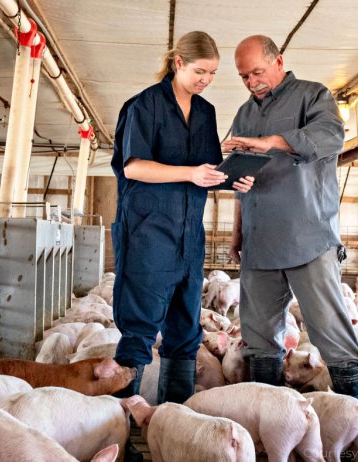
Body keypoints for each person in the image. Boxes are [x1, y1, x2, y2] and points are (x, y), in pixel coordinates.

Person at [110, 31, 253, 404]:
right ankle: (120, 422)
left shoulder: (205, 112)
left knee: (186, 328)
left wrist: (235, 176)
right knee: (139, 329)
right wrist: (190, 173)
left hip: (189, 235)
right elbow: (135, 168)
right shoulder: (143, 106)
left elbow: (205, 169)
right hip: (148, 233)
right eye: (200, 71)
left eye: (212, 74)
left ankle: (175, 418)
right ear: (178, 63)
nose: (206, 80)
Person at [222, 35, 358, 398]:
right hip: (259, 239)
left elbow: (331, 137)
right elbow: (241, 176)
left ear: (278, 61)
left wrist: (273, 142)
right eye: (244, 76)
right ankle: (270, 418)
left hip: (307, 235)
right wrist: (238, 232)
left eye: (257, 72)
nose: (252, 82)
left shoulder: (312, 95)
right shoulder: (244, 113)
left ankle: (354, 415)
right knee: (256, 334)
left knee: (329, 328)